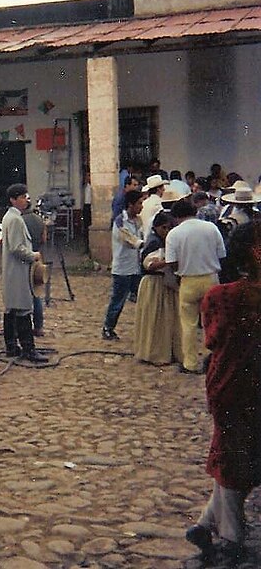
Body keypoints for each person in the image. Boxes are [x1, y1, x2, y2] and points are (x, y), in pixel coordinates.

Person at [185, 222, 261, 565]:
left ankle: (207, 523)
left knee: (233, 453)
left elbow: (212, 340)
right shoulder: (227, 295)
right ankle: (231, 537)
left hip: (230, 382)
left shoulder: (222, 297)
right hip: (241, 384)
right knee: (235, 456)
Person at [165, 199, 226, 374]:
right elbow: (222, 255)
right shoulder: (211, 228)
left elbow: (172, 263)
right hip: (211, 279)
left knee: (188, 324)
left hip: (188, 280)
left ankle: (190, 363)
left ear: (176, 217)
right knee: (211, 321)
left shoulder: (174, 234)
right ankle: (211, 360)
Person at [1, 183, 48, 363]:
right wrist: (33, 255)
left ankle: (12, 346)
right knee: (22, 309)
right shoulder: (14, 219)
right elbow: (16, 247)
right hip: (18, 270)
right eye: (21, 197)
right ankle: (28, 349)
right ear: (13, 200)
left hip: (15, 270)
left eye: (26, 196)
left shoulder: (13, 217)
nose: (25, 200)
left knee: (12, 308)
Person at [133, 212, 182, 365]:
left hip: (164, 284)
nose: (166, 231)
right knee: (154, 319)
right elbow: (149, 265)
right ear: (156, 227)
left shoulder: (165, 241)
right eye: (164, 227)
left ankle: (165, 350)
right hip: (154, 284)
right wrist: (169, 261)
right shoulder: (154, 243)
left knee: (165, 320)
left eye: (169, 228)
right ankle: (154, 352)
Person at [102, 190, 145, 340]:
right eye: (139, 203)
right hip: (122, 268)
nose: (141, 206)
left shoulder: (138, 220)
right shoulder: (120, 221)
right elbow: (128, 239)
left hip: (136, 266)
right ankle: (108, 327)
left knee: (142, 298)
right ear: (131, 204)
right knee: (118, 300)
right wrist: (143, 244)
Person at [22, 200, 47, 337]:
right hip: (37, 257)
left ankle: (22, 325)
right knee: (36, 293)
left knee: (23, 293)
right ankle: (39, 326)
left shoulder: (20, 220)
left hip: (25, 259)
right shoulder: (39, 219)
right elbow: (44, 238)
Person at [140, 174, 169, 241]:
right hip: (154, 239)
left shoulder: (144, 203)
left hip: (144, 238)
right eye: (162, 188)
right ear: (159, 189)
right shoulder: (159, 203)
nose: (164, 189)